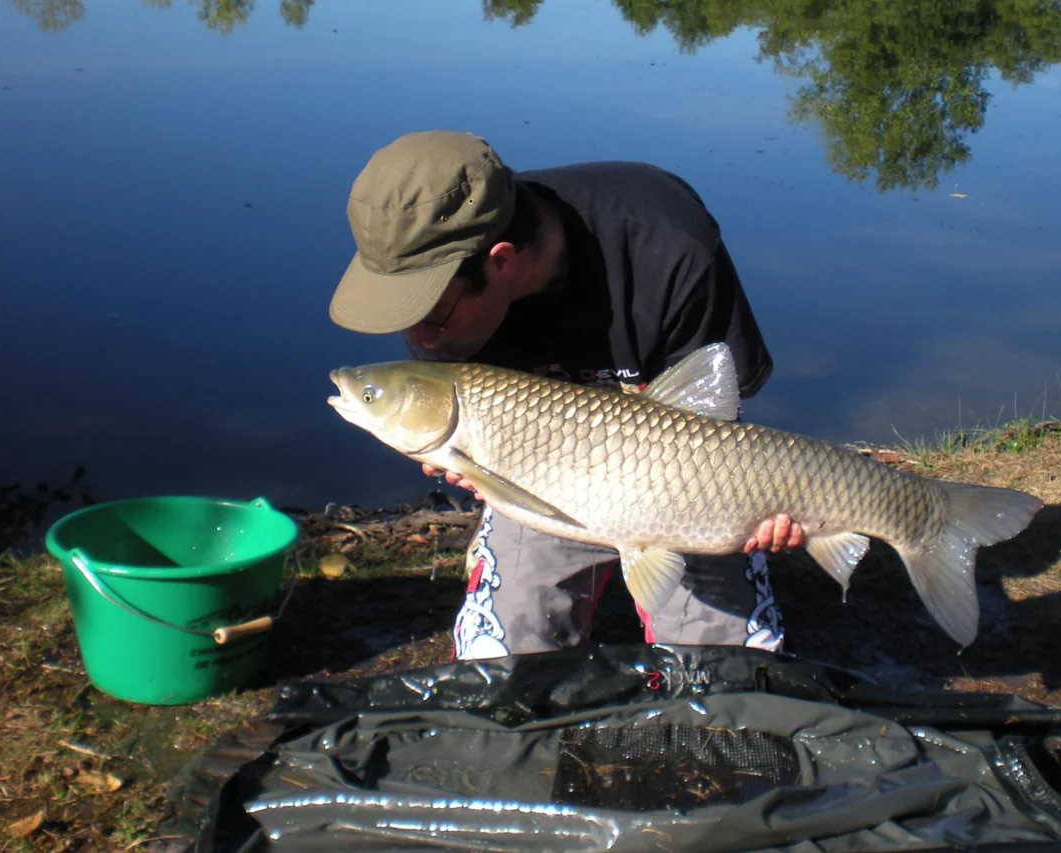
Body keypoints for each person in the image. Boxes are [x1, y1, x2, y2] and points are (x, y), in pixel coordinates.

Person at [329, 130, 805, 660]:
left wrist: (762, 506)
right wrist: (459, 463)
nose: (418, 337)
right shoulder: (438, 289)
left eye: (429, 314)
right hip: (542, 481)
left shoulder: (670, 245)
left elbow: (712, 413)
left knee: (729, 674)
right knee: (501, 659)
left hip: (684, 482)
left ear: (501, 260)